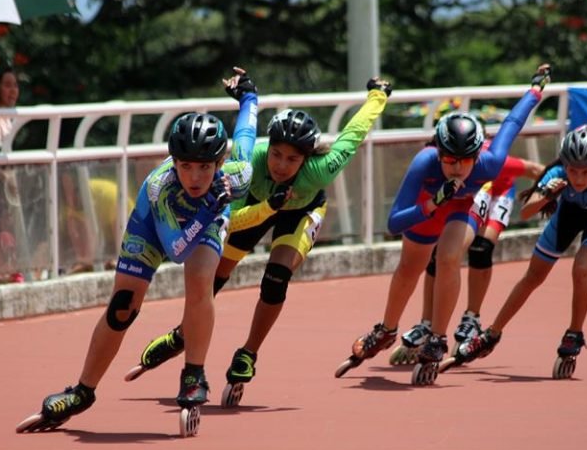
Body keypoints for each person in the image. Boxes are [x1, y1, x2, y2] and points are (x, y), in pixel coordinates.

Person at [16, 67, 258, 433]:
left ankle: (194, 374)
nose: (195, 177)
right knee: (121, 309)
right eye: (186, 166)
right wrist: (207, 205)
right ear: (173, 162)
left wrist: (248, 96)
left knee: (199, 279)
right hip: (155, 226)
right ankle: (83, 391)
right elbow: (175, 249)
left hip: (207, 223)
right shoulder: (160, 186)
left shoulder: (236, 174)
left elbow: (246, 133)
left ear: (219, 163)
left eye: (205, 167)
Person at [127, 77, 394, 402]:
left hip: (302, 211)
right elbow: (228, 221)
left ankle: (248, 353)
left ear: (306, 159)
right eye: (277, 155)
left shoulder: (320, 170)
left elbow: (354, 133)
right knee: (209, 283)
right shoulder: (249, 164)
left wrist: (378, 94)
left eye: (292, 160)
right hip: (254, 206)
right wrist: (269, 206)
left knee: (276, 280)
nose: (281, 166)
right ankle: (183, 334)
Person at [336, 64, 551, 384]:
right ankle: (386, 329)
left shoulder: (490, 162)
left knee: (449, 257)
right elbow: (393, 223)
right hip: (428, 205)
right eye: (450, 159)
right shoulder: (425, 162)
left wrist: (535, 90)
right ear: (438, 152)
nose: (458, 168)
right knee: (410, 267)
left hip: (464, 206)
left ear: (478, 153)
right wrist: (431, 203)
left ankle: (437, 337)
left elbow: (512, 122)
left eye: (466, 160)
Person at [451, 125, 587, 378]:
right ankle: (493, 332)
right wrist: (547, 194)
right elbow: (526, 212)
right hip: (568, 216)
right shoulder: (557, 173)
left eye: (586, 172)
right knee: (532, 277)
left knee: (581, 269)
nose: (577, 178)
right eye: (573, 170)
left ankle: (574, 333)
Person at [389, 149, 545, 364]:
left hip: (496, 190)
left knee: (481, 248)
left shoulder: (490, 160)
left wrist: (552, 189)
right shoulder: (440, 162)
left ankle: (472, 318)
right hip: (470, 192)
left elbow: (533, 169)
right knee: (441, 254)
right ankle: (427, 323)